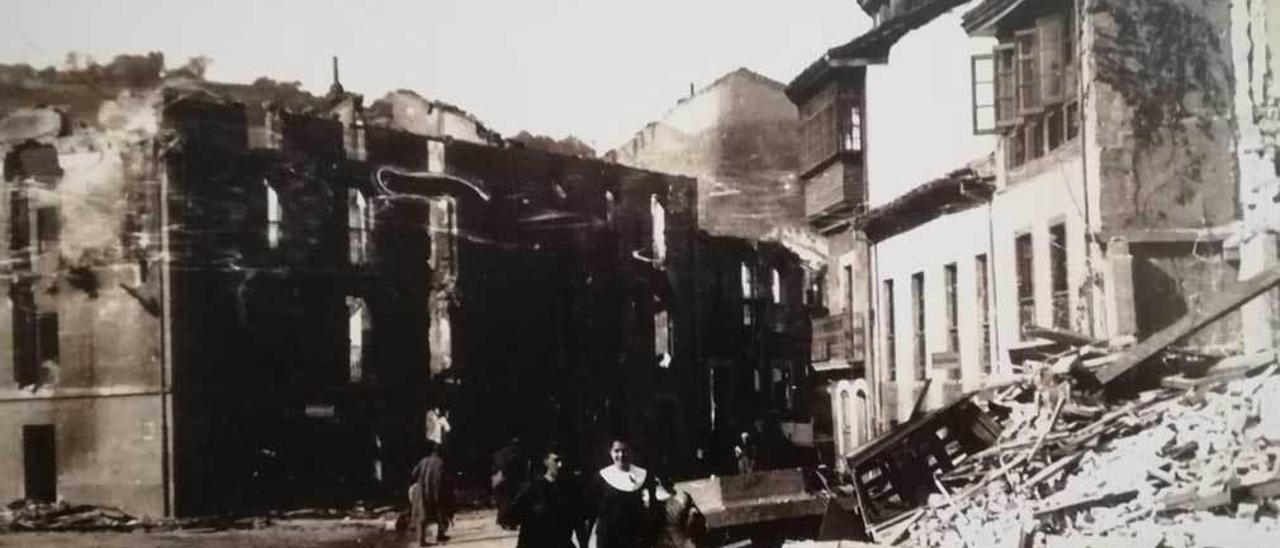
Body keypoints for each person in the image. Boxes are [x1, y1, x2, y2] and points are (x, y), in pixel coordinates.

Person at [586, 438, 666, 548]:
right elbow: (592, 511)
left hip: (636, 537)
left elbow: (653, 507)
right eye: (617, 451)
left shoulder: (645, 476)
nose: (621, 455)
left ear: (632, 451)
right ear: (610, 453)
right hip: (609, 538)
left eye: (625, 450)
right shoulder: (601, 478)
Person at [508, 445, 585, 548]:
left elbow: (579, 523)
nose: (560, 465)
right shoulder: (532, 489)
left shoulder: (570, 491)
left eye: (562, 461)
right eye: (556, 461)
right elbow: (512, 516)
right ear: (546, 461)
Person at [410, 441, 452, 546]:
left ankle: (421, 540)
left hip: (422, 489)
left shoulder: (422, 461)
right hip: (436, 489)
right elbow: (443, 478)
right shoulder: (441, 462)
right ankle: (440, 534)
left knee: (422, 516)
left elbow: (414, 474)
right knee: (440, 511)